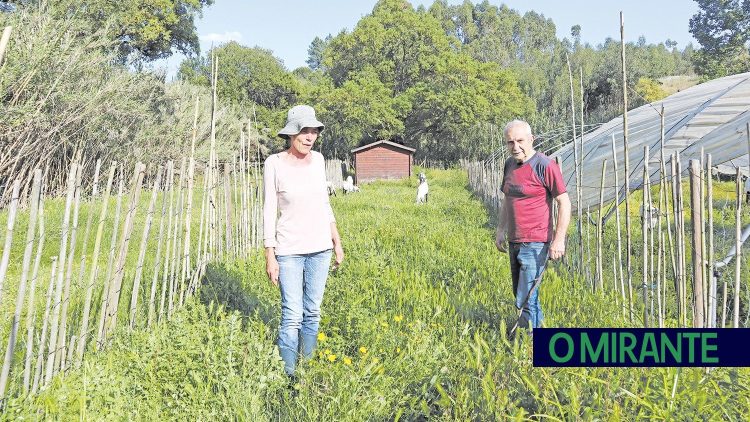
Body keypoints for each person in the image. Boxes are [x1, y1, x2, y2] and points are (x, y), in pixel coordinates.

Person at [263, 104, 344, 377]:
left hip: (320, 248)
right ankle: (289, 376)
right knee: (292, 315)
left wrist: (336, 239)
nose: (310, 137)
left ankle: (306, 370)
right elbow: (267, 210)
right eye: (304, 131)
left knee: (313, 312)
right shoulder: (274, 163)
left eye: (314, 131)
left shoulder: (319, 161)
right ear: (291, 133)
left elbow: (324, 203)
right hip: (289, 251)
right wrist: (269, 254)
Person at [495, 120, 571, 333]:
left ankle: (531, 344)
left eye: (520, 141)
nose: (515, 147)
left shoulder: (545, 165)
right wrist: (501, 230)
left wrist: (558, 239)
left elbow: (564, 202)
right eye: (510, 142)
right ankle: (533, 334)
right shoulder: (510, 165)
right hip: (515, 239)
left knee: (527, 295)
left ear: (532, 139)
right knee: (521, 293)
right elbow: (506, 200)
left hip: (536, 242)